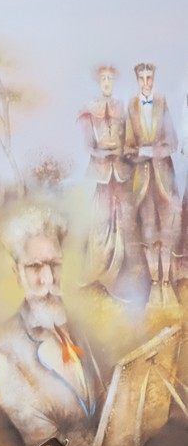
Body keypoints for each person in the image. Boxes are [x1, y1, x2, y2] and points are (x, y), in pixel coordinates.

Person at [0, 207, 104, 446]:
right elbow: (42, 444)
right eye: (35, 266)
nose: (48, 279)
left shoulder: (77, 330)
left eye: (55, 264)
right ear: (17, 273)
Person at [122, 61, 178, 306]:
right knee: (148, 232)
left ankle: (167, 285)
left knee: (167, 231)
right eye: (142, 79)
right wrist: (140, 153)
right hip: (143, 181)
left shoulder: (163, 103)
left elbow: (173, 142)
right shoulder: (132, 107)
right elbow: (127, 148)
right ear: (137, 81)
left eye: (149, 78)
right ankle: (155, 285)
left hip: (164, 180)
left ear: (154, 78)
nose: (146, 83)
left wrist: (154, 151)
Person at [78, 64, 134, 295]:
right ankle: (97, 272)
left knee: (122, 221)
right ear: (98, 83)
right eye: (103, 79)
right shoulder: (90, 110)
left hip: (121, 173)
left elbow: (129, 139)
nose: (107, 83)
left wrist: (122, 152)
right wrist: (102, 153)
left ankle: (119, 277)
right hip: (102, 175)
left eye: (110, 79)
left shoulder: (123, 108)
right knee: (102, 222)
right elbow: (88, 145)